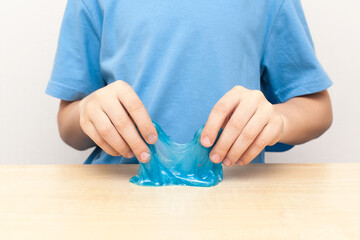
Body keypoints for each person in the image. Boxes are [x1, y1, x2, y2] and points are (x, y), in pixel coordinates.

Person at [46, 0, 333, 166]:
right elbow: (68, 126)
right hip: (119, 203)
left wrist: (278, 119)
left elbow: (317, 109)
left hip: (234, 202)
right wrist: (87, 112)